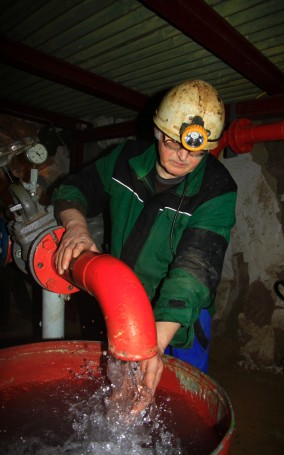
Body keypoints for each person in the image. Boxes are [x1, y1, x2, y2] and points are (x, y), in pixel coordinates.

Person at [52, 79, 237, 393]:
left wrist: (155, 342)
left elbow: (195, 267)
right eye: (172, 143)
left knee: (183, 394)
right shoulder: (126, 158)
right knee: (120, 386)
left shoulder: (217, 188)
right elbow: (74, 189)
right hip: (124, 298)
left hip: (183, 313)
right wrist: (77, 227)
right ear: (157, 132)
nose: (182, 156)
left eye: (196, 151)